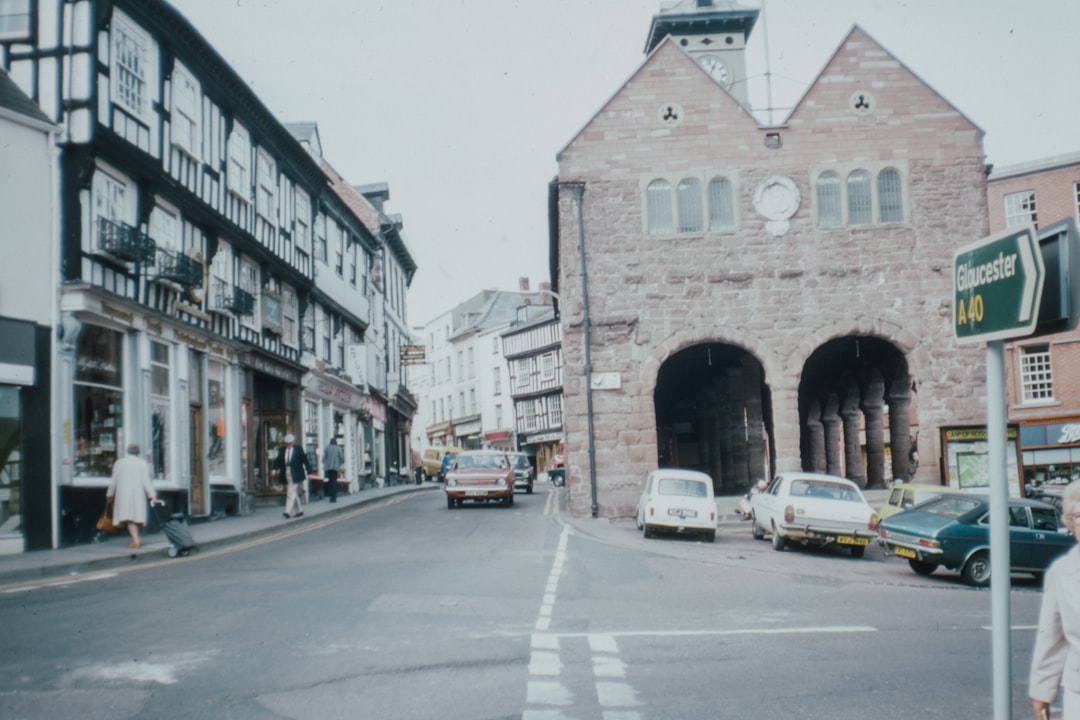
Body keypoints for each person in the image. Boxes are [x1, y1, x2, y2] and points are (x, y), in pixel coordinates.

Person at [1030, 480, 1080, 720]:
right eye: (1079, 515)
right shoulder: (1062, 572)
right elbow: (1051, 635)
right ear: (1070, 522)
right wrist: (1042, 691)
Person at [106, 443, 157, 549]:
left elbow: (113, 481)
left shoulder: (119, 463)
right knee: (135, 517)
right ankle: (136, 538)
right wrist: (152, 495)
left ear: (127, 451)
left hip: (123, 494)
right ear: (138, 453)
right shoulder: (142, 464)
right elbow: (146, 482)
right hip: (137, 494)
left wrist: (109, 494)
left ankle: (136, 540)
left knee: (129, 518)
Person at [272, 433, 313, 519]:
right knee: (293, 493)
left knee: (290, 492)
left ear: (293, 442)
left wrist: (309, 472)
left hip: (297, 474)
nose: (288, 445)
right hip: (286, 472)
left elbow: (305, 460)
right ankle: (299, 510)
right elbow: (278, 461)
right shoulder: (282, 450)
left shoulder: (298, 449)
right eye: (287, 443)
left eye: (290, 443)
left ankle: (287, 511)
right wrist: (274, 469)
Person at [321, 437, 343, 503]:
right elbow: (341, 457)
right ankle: (334, 497)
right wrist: (340, 464)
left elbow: (323, 458)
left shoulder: (327, 448)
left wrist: (325, 464)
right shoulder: (338, 448)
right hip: (335, 467)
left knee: (330, 482)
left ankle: (330, 496)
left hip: (328, 467)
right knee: (334, 482)